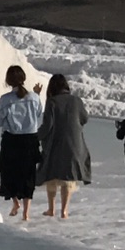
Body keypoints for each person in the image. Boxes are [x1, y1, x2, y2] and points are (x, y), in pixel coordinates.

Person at [0, 64, 44, 222]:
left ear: (8, 81)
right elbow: (38, 114)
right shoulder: (34, 98)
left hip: (12, 141)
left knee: (9, 173)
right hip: (30, 140)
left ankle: (15, 203)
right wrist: (36, 94)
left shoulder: (5, 100)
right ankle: (26, 213)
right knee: (28, 175)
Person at [37, 73, 91, 218]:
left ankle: (51, 209)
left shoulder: (52, 102)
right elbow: (85, 118)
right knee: (68, 178)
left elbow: (47, 126)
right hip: (75, 145)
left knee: (52, 177)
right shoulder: (77, 101)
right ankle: (64, 210)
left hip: (56, 145)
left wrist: (35, 137)